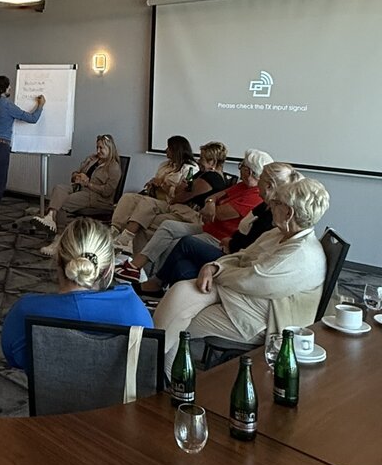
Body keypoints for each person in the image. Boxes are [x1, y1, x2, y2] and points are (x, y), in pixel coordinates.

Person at [154, 177, 329, 374]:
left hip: (264, 316)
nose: (270, 206)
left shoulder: (301, 254)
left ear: (289, 213)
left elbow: (253, 280)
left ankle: (162, 368)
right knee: (181, 291)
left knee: (180, 321)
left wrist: (217, 271)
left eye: (276, 203)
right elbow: (243, 255)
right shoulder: (279, 234)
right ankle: (161, 367)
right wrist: (214, 267)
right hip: (241, 296)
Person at [1, 217, 153, 370]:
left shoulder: (25, 311)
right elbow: (145, 364)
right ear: (108, 270)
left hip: (51, 386)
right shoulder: (135, 312)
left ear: (58, 260)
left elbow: (14, 359)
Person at [117, 148, 273, 283]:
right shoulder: (241, 186)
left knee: (171, 238)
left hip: (218, 237)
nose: (239, 169)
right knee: (166, 225)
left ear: (249, 171)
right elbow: (211, 199)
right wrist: (211, 202)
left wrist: (211, 204)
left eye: (242, 166)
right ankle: (135, 267)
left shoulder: (254, 195)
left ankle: (153, 279)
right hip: (208, 227)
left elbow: (217, 214)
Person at [145, 162, 300, 292]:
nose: (258, 181)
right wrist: (211, 203)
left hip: (234, 257)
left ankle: (156, 283)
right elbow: (215, 202)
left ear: (269, 185)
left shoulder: (271, 215)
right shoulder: (263, 205)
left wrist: (230, 242)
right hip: (228, 245)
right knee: (181, 266)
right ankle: (161, 291)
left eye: (261, 179)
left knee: (186, 243)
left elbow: (250, 246)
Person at [0, 75, 45, 232]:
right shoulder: (7, 106)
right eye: (8, 86)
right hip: (1, 146)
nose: (10, 88)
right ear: (2, 89)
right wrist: (40, 105)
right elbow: (32, 119)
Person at [110, 136, 197, 254]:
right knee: (128, 197)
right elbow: (157, 180)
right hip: (155, 197)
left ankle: (127, 237)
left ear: (176, 150)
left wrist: (163, 186)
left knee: (147, 203)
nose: (166, 150)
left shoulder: (190, 168)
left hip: (171, 203)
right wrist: (153, 184)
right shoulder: (164, 165)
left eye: (169, 148)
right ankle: (114, 230)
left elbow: (184, 194)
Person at [34, 133, 122, 234]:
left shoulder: (114, 168)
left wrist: (88, 183)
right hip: (79, 188)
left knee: (62, 202)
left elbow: (107, 192)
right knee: (59, 188)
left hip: (95, 197)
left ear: (110, 148)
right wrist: (77, 176)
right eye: (97, 147)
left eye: (101, 148)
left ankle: (59, 232)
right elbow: (75, 173)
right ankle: (50, 217)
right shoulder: (92, 159)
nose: (98, 151)